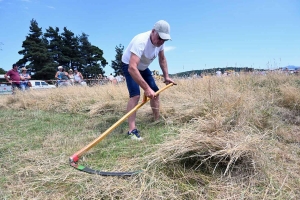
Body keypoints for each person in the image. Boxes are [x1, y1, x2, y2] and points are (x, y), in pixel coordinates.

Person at [121, 20, 176, 140]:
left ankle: (156, 120)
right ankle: (132, 130)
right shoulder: (141, 41)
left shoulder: (161, 42)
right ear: (153, 32)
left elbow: (162, 59)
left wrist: (166, 76)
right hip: (130, 66)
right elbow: (132, 68)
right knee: (135, 95)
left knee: (155, 92)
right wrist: (146, 89)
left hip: (143, 67)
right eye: (160, 38)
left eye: (164, 40)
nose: (161, 41)